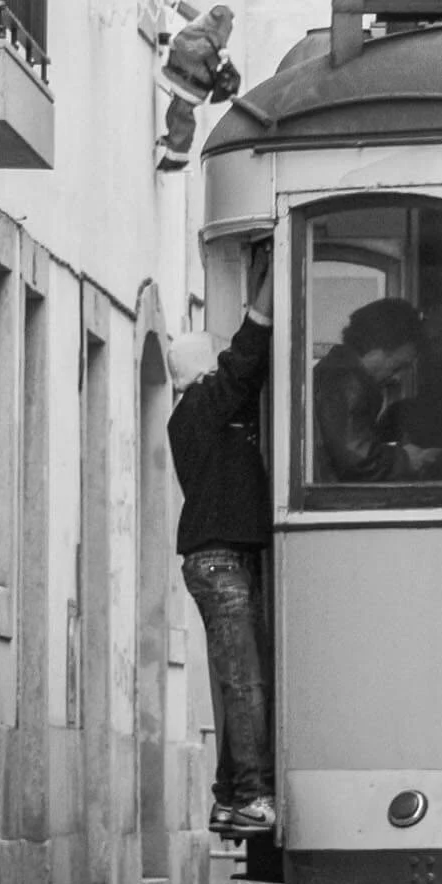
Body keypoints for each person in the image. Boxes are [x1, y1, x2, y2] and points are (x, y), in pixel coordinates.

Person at [168, 249, 275, 836]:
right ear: (203, 375)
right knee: (244, 682)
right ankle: (253, 794)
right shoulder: (200, 409)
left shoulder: (202, 415)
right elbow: (243, 364)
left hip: (221, 558)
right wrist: (263, 300)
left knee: (241, 682)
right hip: (219, 560)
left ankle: (231, 795)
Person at [314, 297, 442, 481]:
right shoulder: (346, 382)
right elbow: (357, 460)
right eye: (397, 367)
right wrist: (407, 460)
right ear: (376, 350)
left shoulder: (335, 373)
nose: (397, 377)